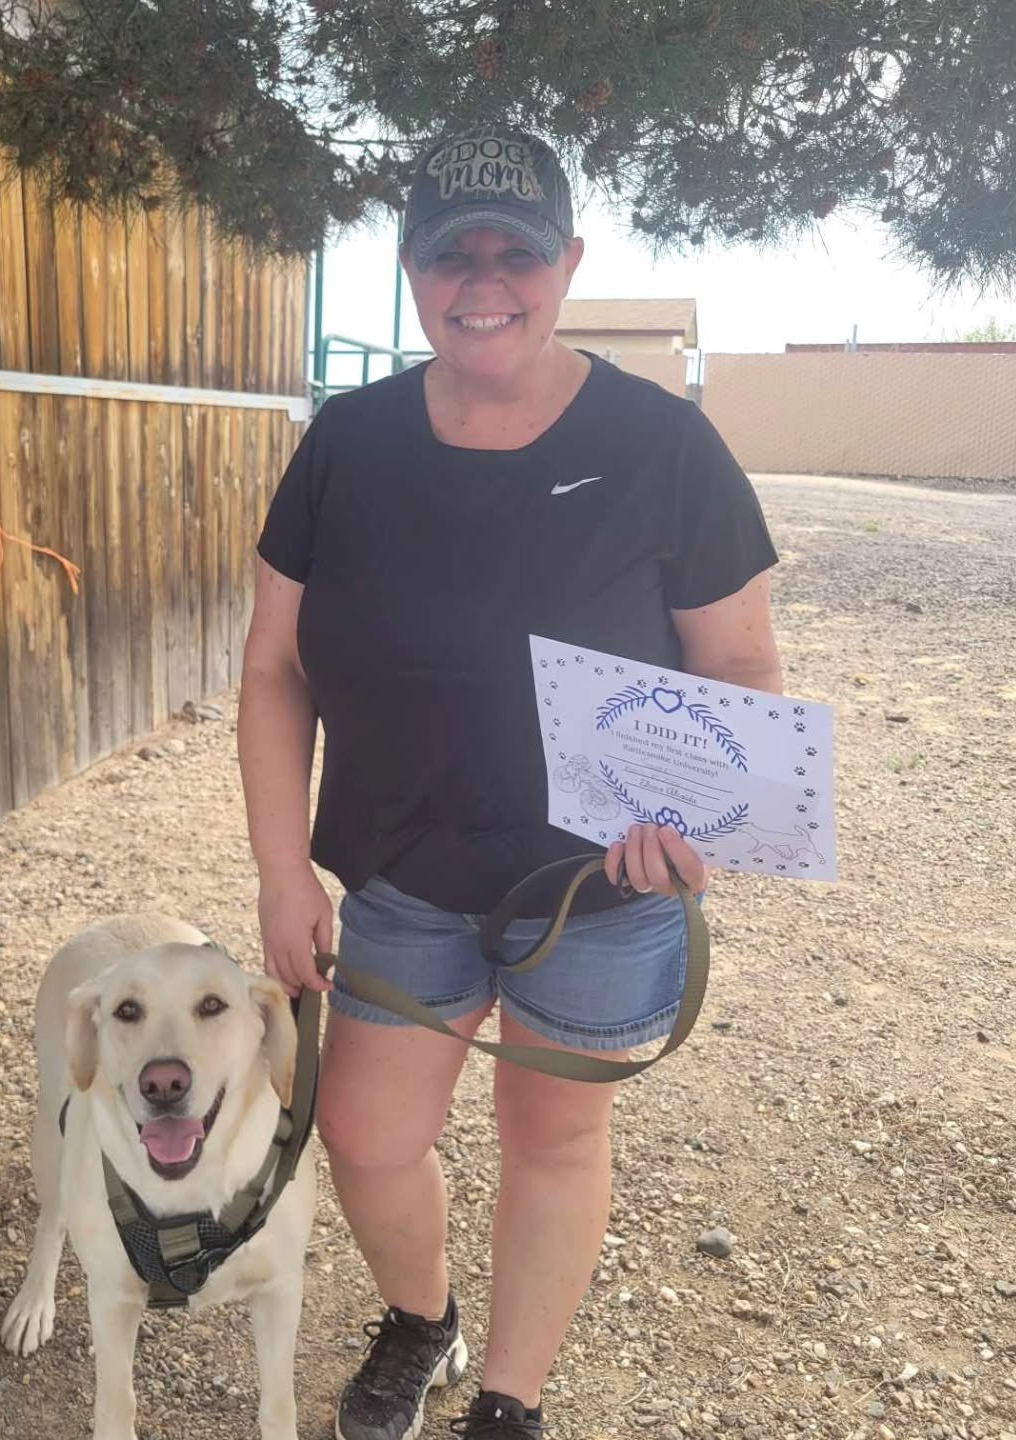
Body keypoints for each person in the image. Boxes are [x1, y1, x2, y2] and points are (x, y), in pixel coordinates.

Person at [237, 127, 783, 1440]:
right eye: (449, 252)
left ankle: (510, 1402)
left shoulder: (667, 448)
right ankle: (423, 1323)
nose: (484, 279)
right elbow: (273, 670)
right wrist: (277, 870)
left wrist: (693, 824)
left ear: (570, 262)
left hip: (596, 890)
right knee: (366, 1138)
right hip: (405, 871)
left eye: (517, 251)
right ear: (412, 269)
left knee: (553, 1142)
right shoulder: (348, 441)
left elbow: (743, 673)